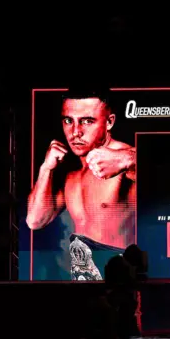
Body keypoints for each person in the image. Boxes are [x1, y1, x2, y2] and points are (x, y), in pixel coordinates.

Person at [26, 86, 136, 280]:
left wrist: (129, 158)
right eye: (68, 121)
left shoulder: (124, 162)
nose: (75, 132)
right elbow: (35, 220)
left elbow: (168, 175)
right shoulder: (70, 173)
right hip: (82, 277)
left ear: (109, 122)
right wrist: (46, 168)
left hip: (119, 279)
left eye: (87, 121)